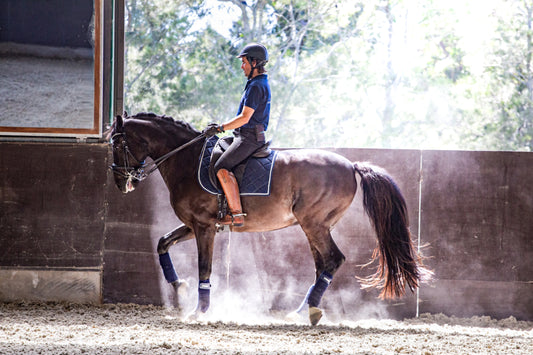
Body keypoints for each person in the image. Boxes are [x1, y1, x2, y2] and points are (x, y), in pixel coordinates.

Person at [203, 43, 271, 227]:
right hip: (244, 135)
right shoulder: (255, 83)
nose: (242, 66)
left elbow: (245, 117)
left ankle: (236, 214)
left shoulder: (257, 86)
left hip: (249, 138)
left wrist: (220, 128)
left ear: (254, 62)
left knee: (222, 167)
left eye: (244, 62)